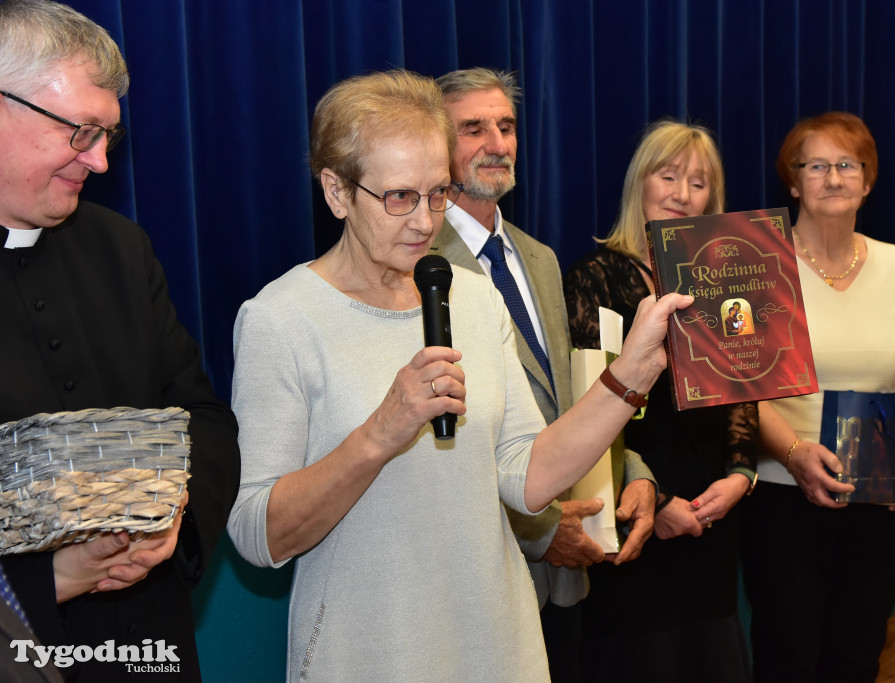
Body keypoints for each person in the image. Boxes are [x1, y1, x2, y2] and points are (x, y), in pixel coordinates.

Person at [226, 69, 690, 683]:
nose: (425, 221)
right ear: (336, 191)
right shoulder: (281, 319)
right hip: (372, 654)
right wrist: (379, 433)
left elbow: (526, 474)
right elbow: (259, 534)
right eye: (399, 197)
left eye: (438, 192)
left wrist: (630, 375)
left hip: (498, 647)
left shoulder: (472, 297)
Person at [0, 0, 241, 680]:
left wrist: (172, 520)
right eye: (82, 132)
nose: (102, 161)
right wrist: (46, 579)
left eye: (109, 134)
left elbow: (203, 418)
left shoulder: (119, 248)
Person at [431, 67, 656, 681]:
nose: (497, 144)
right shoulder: (419, 265)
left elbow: (568, 397)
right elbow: (440, 441)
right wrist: (538, 528)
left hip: (567, 573)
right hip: (485, 570)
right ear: (433, 144)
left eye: (506, 127)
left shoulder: (539, 258)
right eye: (473, 129)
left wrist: (630, 470)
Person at [739, 111, 895, 682]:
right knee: (788, 656)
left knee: (857, 655)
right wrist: (793, 454)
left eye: (848, 165)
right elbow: (738, 385)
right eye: (816, 166)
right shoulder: (757, 265)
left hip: (881, 491)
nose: (833, 178)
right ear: (792, 181)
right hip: (782, 495)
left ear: (868, 180)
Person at [562, 119, 758, 682]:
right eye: (668, 176)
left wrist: (741, 474)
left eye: (698, 182)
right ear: (639, 184)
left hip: (713, 519)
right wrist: (660, 499)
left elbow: (744, 387)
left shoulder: (725, 279)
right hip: (635, 520)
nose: (681, 194)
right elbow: (589, 409)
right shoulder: (594, 279)